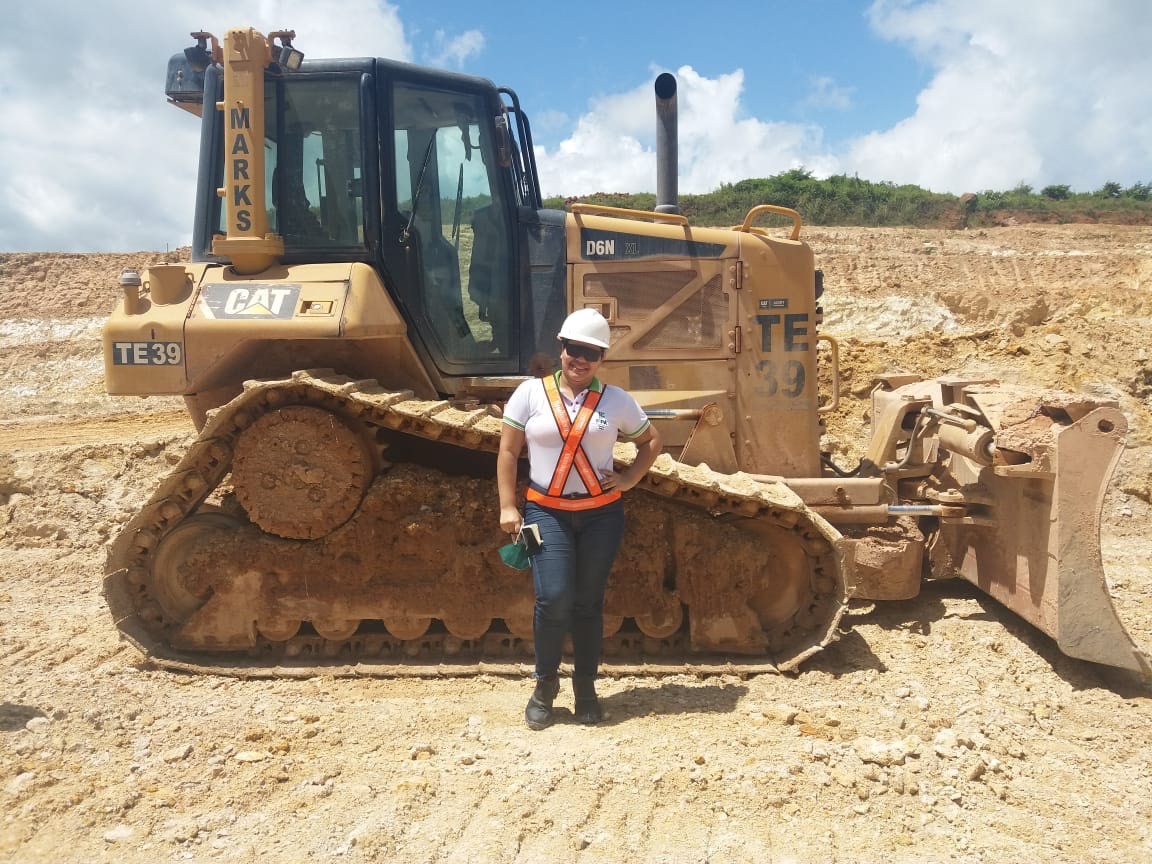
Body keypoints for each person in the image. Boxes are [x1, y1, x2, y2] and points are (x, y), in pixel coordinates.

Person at [497, 308, 662, 730]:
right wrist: (508, 506)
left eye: (591, 352)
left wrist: (628, 480)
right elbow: (509, 452)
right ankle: (544, 684)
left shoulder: (616, 401)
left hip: (600, 518)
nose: (580, 359)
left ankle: (585, 688)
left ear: (601, 357)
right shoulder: (530, 395)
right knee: (552, 600)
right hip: (544, 513)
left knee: (588, 604)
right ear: (562, 348)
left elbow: (650, 441)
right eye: (574, 349)